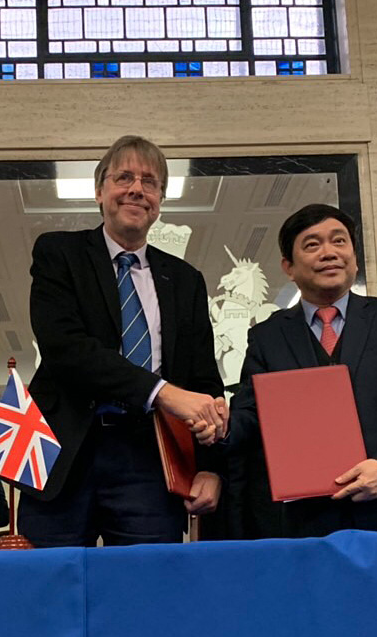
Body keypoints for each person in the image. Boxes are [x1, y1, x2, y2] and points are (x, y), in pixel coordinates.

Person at [20, 135, 227, 547]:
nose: (137, 188)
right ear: (100, 191)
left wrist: (209, 466)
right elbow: (66, 349)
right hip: (61, 452)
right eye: (124, 177)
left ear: (160, 200)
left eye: (150, 182)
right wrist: (162, 392)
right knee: (46, 588)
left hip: (150, 458)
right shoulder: (59, 253)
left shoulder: (186, 280)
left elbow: (202, 378)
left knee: (148, 592)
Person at [227, 204, 377, 538]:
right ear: (288, 267)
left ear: (355, 258)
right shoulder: (267, 336)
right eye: (312, 244)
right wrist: (216, 422)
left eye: (339, 241)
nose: (329, 253)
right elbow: (250, 416)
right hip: (307, 523)